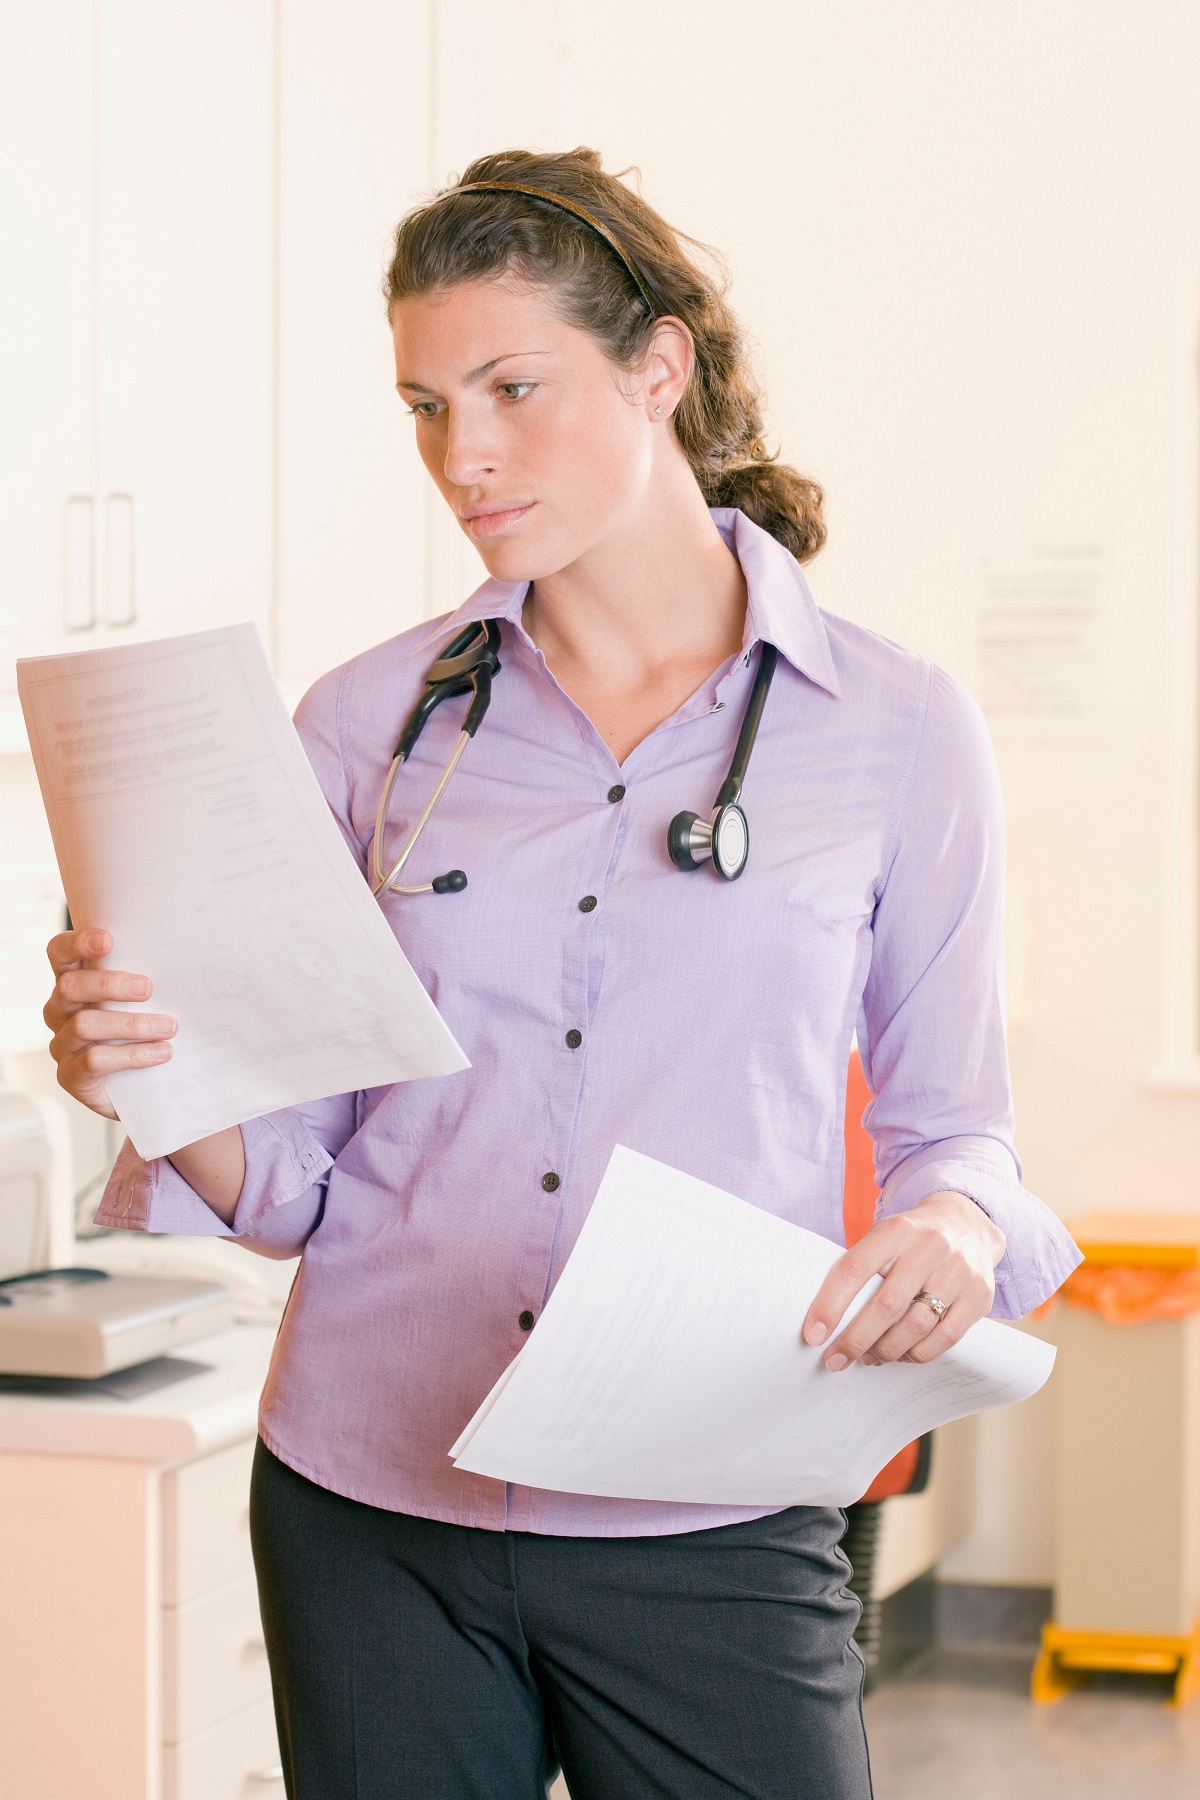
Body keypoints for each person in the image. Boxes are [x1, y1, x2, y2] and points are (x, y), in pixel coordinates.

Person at [43, 148, 1080, 1800]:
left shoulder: (892, 732)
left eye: (514, 387)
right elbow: (299, 1182)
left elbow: (964, 1134)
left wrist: (950, 1225)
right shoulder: (365, 725)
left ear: (657, 364)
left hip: (711, 1509)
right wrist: (159, 1076)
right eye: (426, 405)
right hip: (370, 1500)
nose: (466, 455)